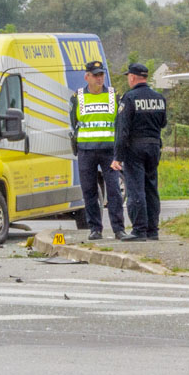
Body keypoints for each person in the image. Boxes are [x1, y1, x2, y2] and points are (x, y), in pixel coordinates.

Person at [69, 60, 125, 240]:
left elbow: (120, 123)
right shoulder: (77, 97)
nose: (99, 78)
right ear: (87, 77)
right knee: (89, 191)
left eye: (101, 74)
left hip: (109, 151)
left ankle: (119, 229)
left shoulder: (114, 95)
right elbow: (74, 122)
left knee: (114, 191)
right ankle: (95, 229)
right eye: (95, 75)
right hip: (86, 151)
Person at [111, 62, 167, 241]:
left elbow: (122, 130)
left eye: (128, 76)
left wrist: (117, 157)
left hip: (134, 148)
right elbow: (163, 123)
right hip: (154, 146)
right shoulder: (159, 98)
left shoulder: (129, 98)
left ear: (133, 77)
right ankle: (153, 230)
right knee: (151, 188)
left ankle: (139, 230)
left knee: (136, 189)